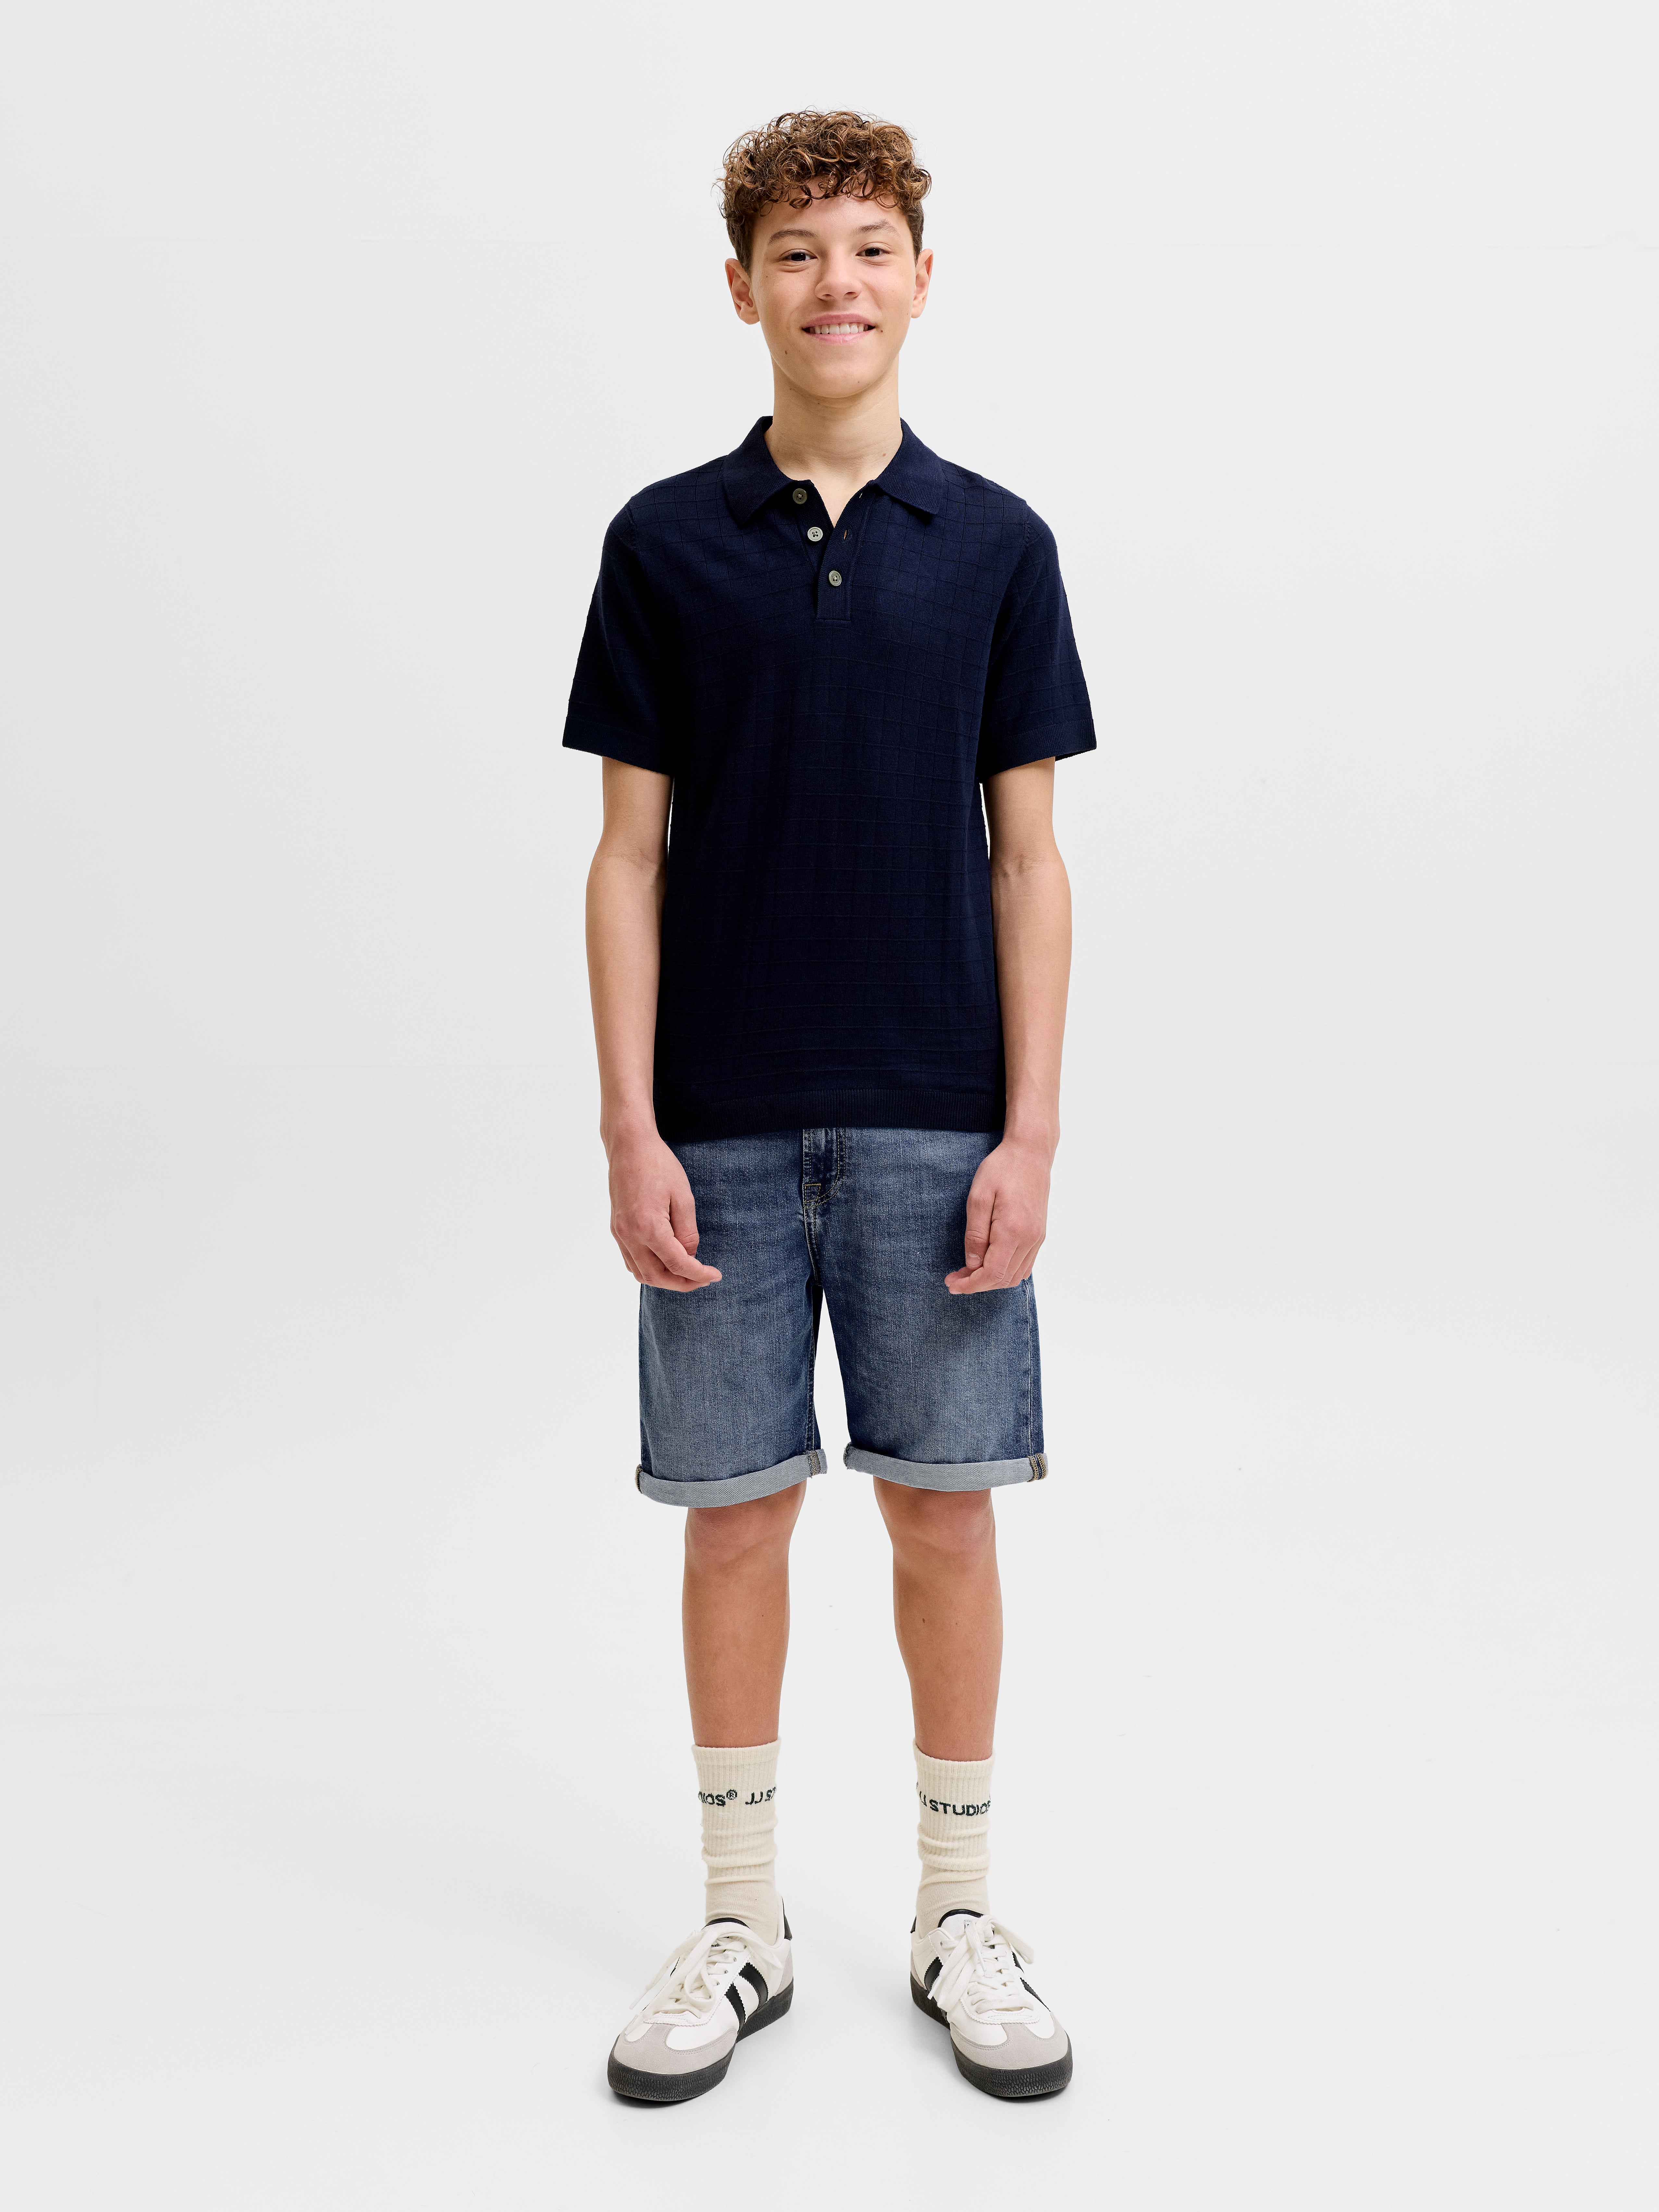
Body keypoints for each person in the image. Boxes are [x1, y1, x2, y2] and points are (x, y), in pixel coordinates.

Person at [564, 110, 1095, 2102]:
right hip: (713, 1120)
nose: (835, 284)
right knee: (731, 1521)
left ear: (920, 280)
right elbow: (626, 857)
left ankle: (957, 1913)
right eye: (796, 253)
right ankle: (740, 1919)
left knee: (943, 1515)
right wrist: (627, 1124)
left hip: (936, 1123)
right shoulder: (662, 543)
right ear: (742, 290)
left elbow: (1029, 860)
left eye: (869, 247)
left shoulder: (997, 546)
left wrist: (1029, 1131)